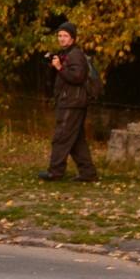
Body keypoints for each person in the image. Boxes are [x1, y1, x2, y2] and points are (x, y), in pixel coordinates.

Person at [39, 21, 98, 183]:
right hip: (71, 101)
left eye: (65, 36)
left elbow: (78, 77)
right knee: (76, 140)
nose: (61, 38)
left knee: (61, 137)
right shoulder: (66, 54)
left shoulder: (75, 55)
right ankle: (88, 173)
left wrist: (60, 68)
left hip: (72, 102)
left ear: (72, 38)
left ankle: (55, 172)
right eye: (59, 35)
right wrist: (53, 65)